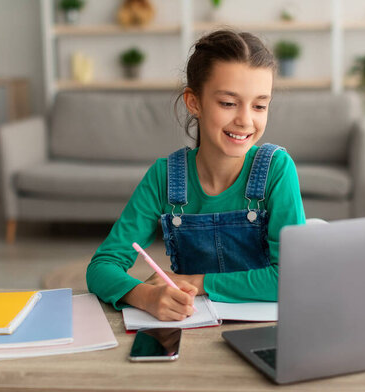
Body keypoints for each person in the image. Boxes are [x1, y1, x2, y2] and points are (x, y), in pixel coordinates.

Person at [86, 29, 306, 321]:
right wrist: (145, 296)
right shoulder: (163, 177)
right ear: (194, 103)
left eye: (259, 105)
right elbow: (103, 266)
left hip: (267, 330)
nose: (245, 120)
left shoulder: (277, 169)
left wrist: (197, 282)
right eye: (228, 103)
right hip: (191, 327)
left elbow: (293, 277)